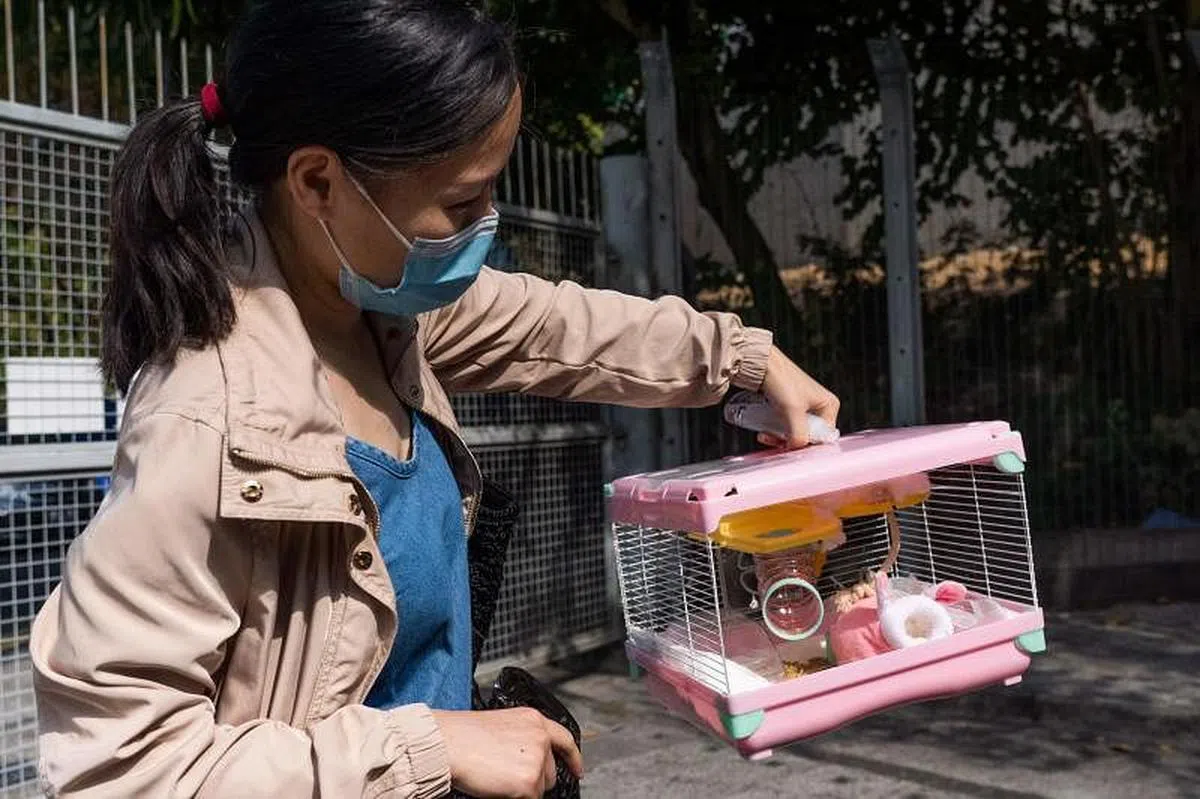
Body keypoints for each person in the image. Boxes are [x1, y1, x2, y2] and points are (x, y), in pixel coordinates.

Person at [29, 1, 839, 797]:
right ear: (318, 181)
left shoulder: (377, 308)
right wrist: (426, 748)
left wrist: (743, 358)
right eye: (461, 203)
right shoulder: (203, 421)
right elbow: (117, 768)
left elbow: (558, 326)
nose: (487, 225)